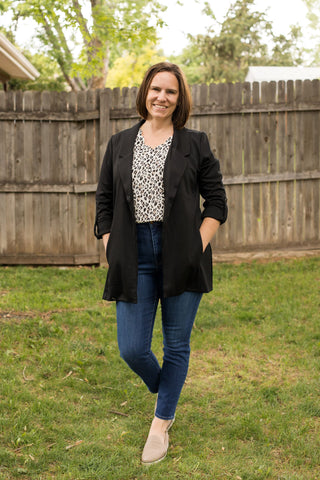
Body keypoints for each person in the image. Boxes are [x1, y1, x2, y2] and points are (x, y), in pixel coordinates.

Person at [94, 62, 228, 465]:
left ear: (179, 99)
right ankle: (167, 386)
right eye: (156, 89)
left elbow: (217, 201)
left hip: (182, 254)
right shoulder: (119, 143)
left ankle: (160, 424)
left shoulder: (195, 143)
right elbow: (103, 201)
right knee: (132, 348)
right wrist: (108, 242)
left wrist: (197, 246)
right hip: (133, 254)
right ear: (144, 92)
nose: (162, 97)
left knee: (176, 345)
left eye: (170, 91)